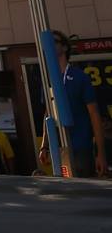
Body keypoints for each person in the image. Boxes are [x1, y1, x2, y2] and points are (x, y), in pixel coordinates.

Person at [39, 31, 107, 178]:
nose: (50, 45)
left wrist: (101, 153)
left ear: (64, 47)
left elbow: (94, 114)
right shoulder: (48, 80)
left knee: (83, 191)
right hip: (59, 149)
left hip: (81, 146)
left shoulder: (79, 77)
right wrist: (44, 145)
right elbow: (48, 113)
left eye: (54, 41)